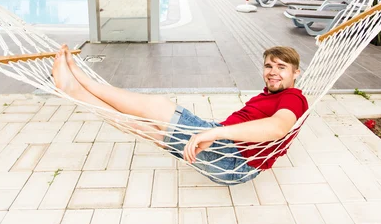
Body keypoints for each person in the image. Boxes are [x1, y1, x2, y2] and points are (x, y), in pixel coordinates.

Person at [52, 45, 308, 184]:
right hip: (234, 165)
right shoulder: (271, 95)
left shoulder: (293, 98)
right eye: (268, 66)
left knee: (159, 108)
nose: (273, 71)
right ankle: (76, 90)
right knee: (145, 127)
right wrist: (216, 130)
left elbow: (277, 127)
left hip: (231, 156)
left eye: (281, 67)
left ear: (296, 73)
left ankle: (82, 80)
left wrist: (216, 132)